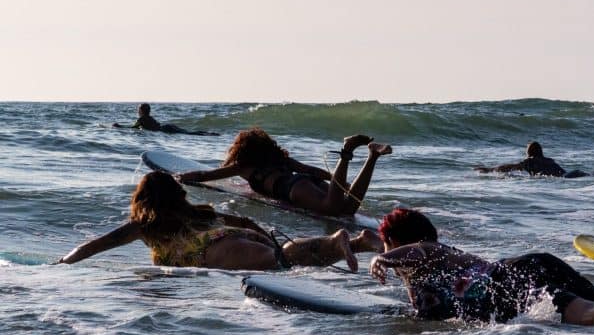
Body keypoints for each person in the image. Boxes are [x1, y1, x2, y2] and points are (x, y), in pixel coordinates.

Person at [368, 208, 594, 325]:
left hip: (510, 281)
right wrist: (351, 245)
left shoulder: (426, 254)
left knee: (587, 314)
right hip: (523, 268)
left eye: (388, 244)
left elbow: (417, 250)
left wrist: (382, 258)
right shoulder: (435, 262)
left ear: (397, 241)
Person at [58, 171, 381, 271]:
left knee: (284, 260)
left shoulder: (146, 224)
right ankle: (356, 243)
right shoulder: (198, 212)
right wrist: (264, 237)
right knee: (284, 257)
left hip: (215, 250)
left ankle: (337, 240)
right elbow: (243, 221)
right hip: (232, 236)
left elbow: (97, 245)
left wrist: (63, 264)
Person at [176, 128, 391, 216]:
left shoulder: (243, 166)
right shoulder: (279, 158)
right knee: (349, 207)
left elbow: (206, 176)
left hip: (293, 189)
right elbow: (312, 171)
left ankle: (346, 151)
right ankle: (372, 156)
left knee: (333, 208)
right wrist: (339, 183)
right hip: (305, 181)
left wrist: (180, 178)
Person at [475, 142, 588, 178]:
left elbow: (511, 167)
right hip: (573, 174)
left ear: (529, 153)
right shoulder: (549, 160)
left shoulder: (530, 161)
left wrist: (490, 170)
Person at [113, 103, 219, 136]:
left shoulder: (141, 119)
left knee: (189, 133)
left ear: (141, 110)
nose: (138, 111)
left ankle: (209, 134)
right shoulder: (149, 118)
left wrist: (119, 126)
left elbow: (133, 128)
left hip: (166, 129)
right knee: (188, 132)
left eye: (138, 110)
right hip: (167, 127)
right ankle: (209, 133)